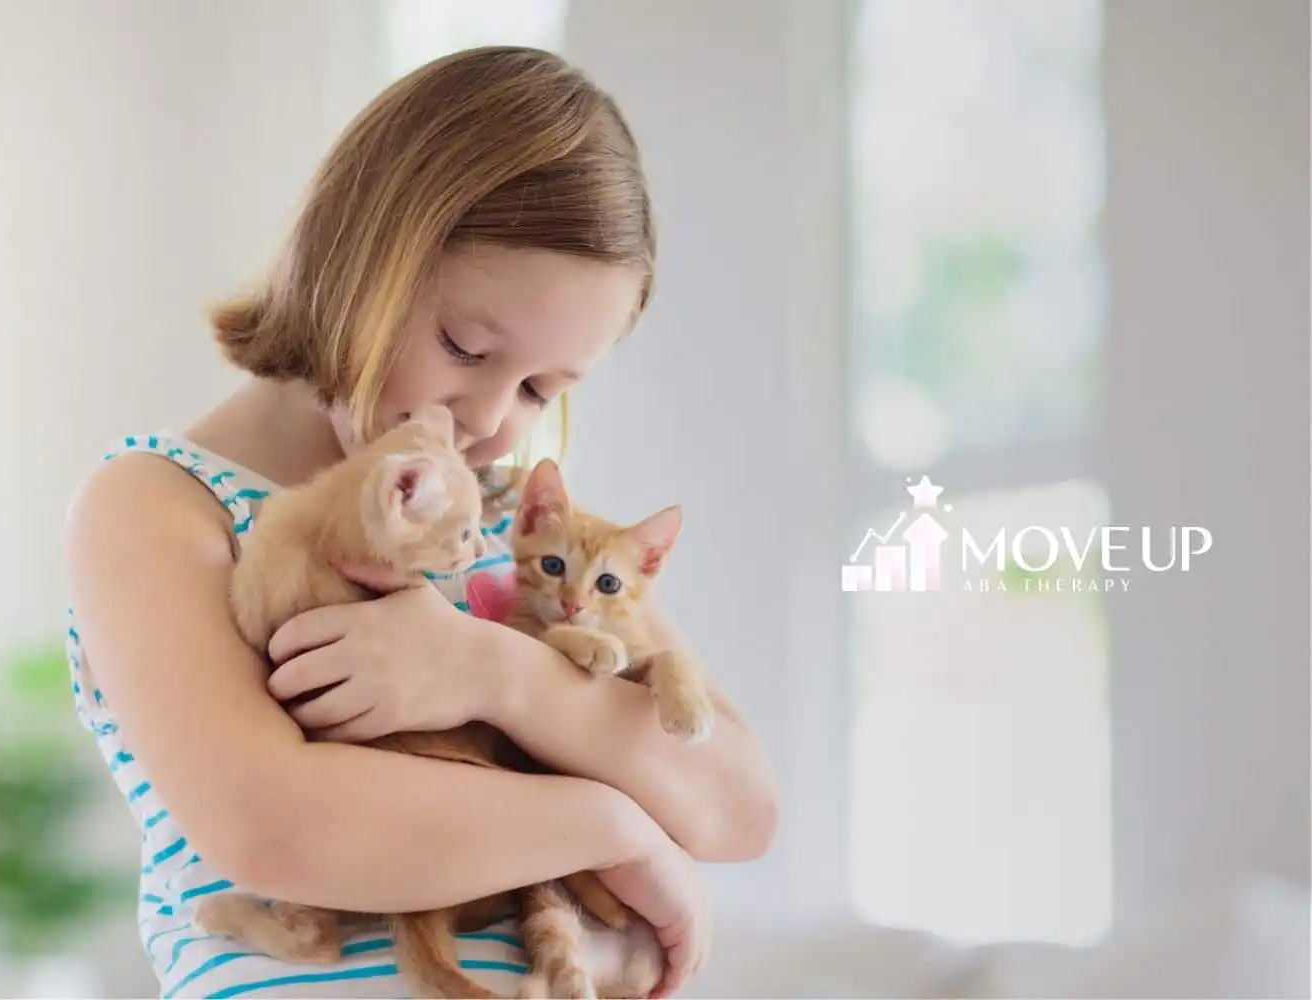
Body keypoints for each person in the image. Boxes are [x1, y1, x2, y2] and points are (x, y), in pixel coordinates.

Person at [63, 45, 780, 999]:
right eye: (464, 347)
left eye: (539, 389)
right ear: (358, 256)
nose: (488, 418)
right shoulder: (160, 503)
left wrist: (496, 671)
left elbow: (738, 807)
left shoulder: (516, 534)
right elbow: (273, 827)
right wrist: (616, 829)